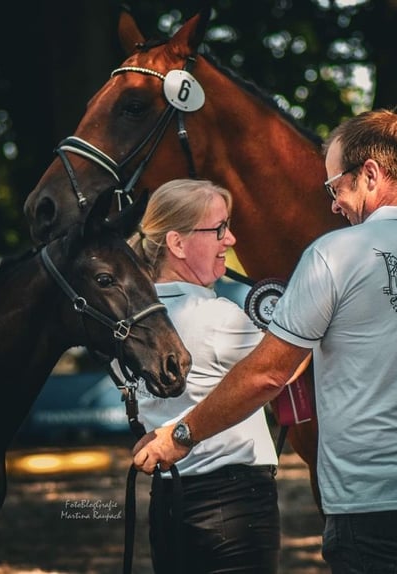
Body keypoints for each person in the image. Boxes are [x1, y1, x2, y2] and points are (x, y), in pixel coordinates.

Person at [132, 110, 397, 573]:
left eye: (335, 187)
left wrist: (182, 434)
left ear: (370, 174)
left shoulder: (333, 255)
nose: (333, 205)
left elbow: (269, 373)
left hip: (371, 507)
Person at [123, 179, 281, 574]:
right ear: (177, 244)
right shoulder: (216, 317)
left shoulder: (126, 326)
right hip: (234, 503)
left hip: (167, 503)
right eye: (219, 229)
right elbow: (283, 367)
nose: (230, 239)